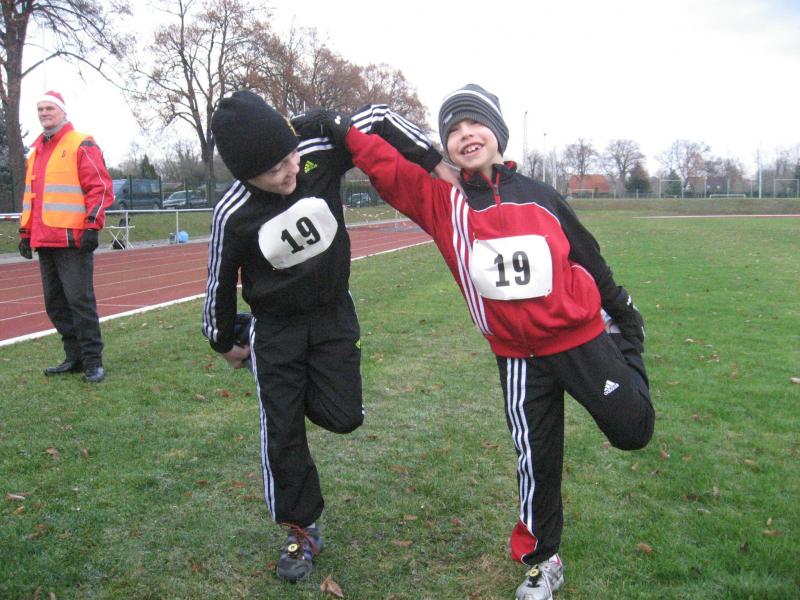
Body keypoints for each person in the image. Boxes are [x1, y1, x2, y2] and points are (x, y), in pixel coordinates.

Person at [320, 84, 655, 600]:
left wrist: (623, 314)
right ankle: (542, 561)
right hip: (519, 359)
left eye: (474, 123)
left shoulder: (540, 196)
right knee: (535, 459)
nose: (465, 135)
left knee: (634, 431)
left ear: (497, 133)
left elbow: (587, 256)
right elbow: (384, 164)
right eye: (453, 130)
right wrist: (342, 129)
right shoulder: (441, 201)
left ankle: (624, 349)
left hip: (583, 340)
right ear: (444, 147)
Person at [202, 90, 445, 582]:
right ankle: (301, 529)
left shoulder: (318, 152)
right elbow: (218, 281)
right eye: (274, 171)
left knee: (344, 416)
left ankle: (296, 385)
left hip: (333, 313)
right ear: (246, 175)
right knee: (283, 429)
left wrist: (435, 160)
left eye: (290, 157)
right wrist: (223, 340)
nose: (290, 171)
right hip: (277, 329)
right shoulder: (233, 212)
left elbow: (377, 116)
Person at [18, 91, 114, 383]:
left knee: (79, 301)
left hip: (73, 239)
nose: (44, 113)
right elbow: (31, 198)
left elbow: (99, 187)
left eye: (49, 108)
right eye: (40, 109)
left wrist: (92, 226)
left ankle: (93, 360)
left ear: (62, 111)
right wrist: (25, 232)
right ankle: (74, 357)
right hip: (45, 238)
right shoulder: (35, 152)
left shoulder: (81, 143)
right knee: (55, 304)